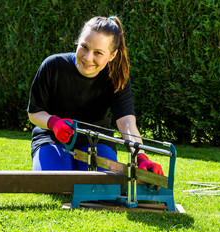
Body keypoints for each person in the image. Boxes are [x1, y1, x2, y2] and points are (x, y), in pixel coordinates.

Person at [27, 16, 163, 175]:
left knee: (99, 185)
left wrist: (140, 156)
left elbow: (126, 122)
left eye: (98, 53)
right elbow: (34, 113)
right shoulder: (52, 65)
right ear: (78, 41)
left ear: (112, 55)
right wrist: (54, 123)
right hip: (52, 139)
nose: (87, 57)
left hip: (98, 141)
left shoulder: (116, 77)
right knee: (59, 183)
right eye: (84, 47)